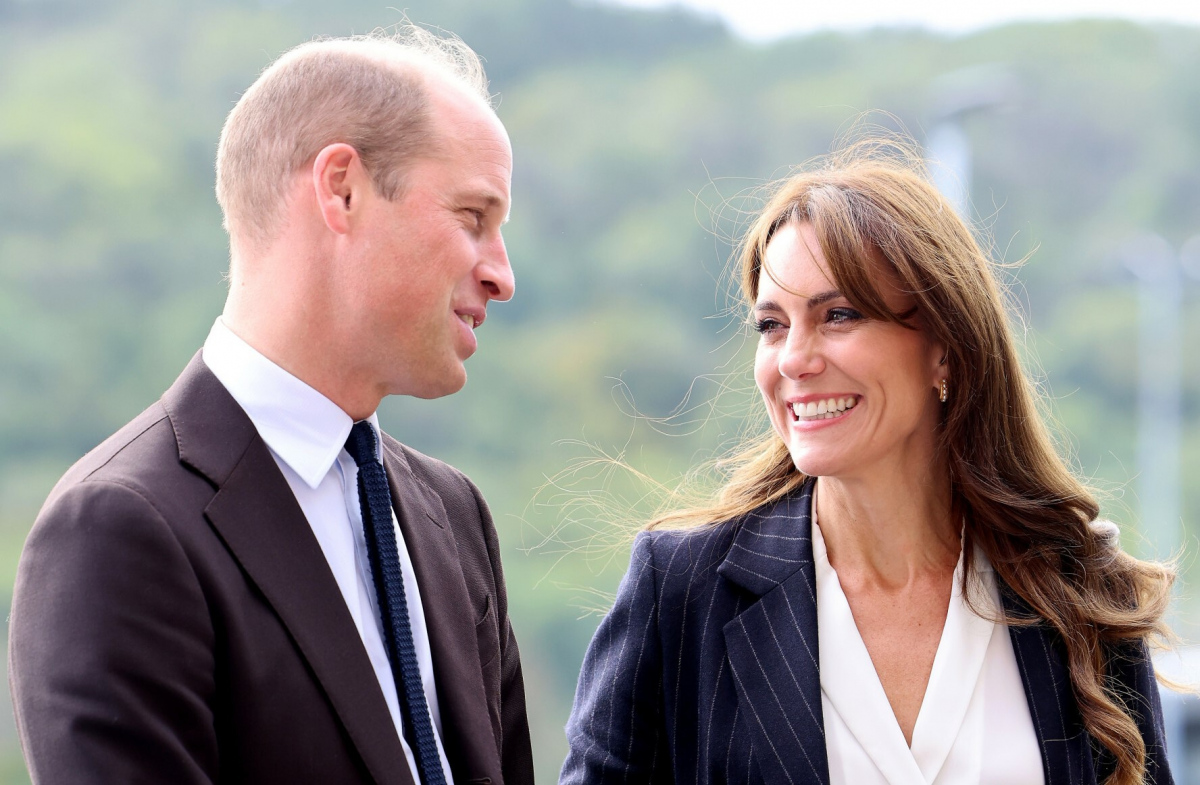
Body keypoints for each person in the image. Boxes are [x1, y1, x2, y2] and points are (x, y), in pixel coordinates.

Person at [9, 27, 534, 785]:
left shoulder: (455, 516)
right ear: (341, 188)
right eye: (472, 217)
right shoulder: (118, 528)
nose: (502, 275)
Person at [560, 141, 1175, 785]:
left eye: (838, 315)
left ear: (945, 346)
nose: (794, 359)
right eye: (771, 326)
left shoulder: (1078, 589)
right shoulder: (682, 592)